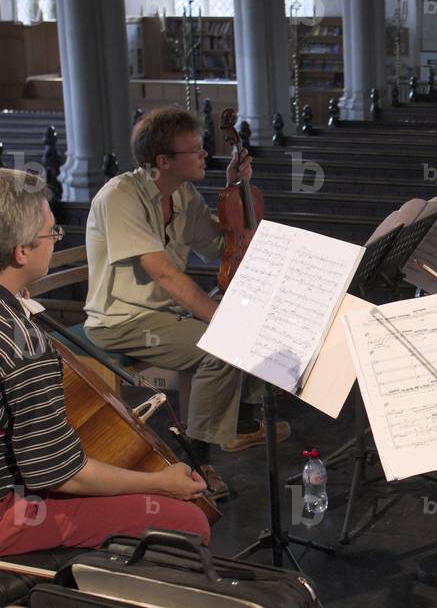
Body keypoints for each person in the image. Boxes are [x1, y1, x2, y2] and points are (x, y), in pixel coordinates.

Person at [83, 107, 290, 500]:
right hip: (122, 320)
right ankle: (196, 460)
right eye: (194, 150)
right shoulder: (120, 197)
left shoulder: (182, 193)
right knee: (219, 348)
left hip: (165, 313)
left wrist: (234, 192)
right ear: (163, 161)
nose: (204, 155)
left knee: (250, 315)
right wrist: (220, 319)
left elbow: (220, 248)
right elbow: (164, 274)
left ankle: (241, 424)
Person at [0, 168, 210, 555]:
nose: (56, 240)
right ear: (21, 252)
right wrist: (159, 483)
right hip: (8, 512)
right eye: (51, 233)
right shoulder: (24, 345)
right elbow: (57, 472)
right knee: (188, 521)